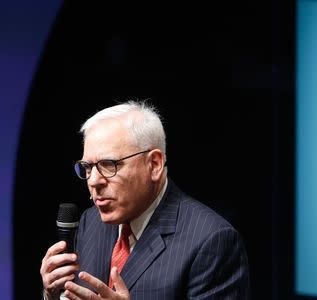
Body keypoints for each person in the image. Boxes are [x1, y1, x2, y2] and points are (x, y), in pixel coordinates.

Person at [40, 100, 250, 299]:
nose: (94, 181)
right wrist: (53, 295)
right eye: (87, 167)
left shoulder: (211, 241)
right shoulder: (90, 222)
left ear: (155, 164)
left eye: (109, 164)